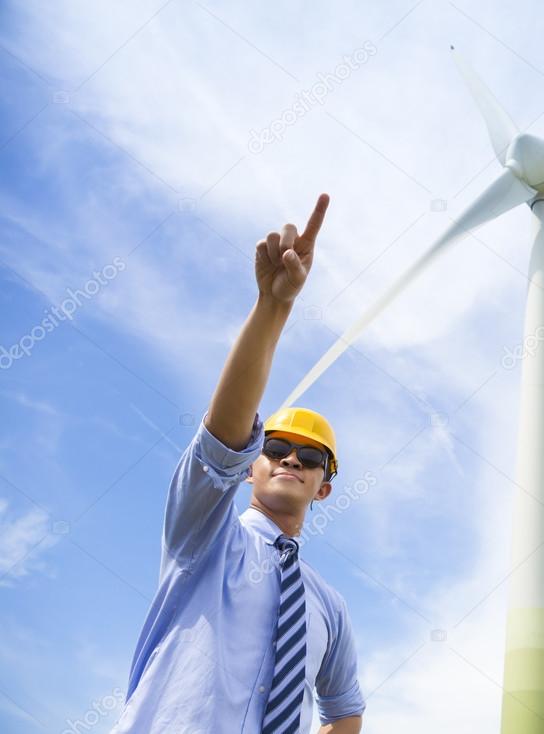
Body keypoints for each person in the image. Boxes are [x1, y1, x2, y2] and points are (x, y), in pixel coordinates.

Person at [110, 194, 365, 733]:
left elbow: (345, 710)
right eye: (274, 449)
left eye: (311, 456)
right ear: (253, 466)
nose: (291, 458)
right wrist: (274, 308)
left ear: (323, 487)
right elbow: (224, 434)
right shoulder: (204, 537)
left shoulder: (329, 606)